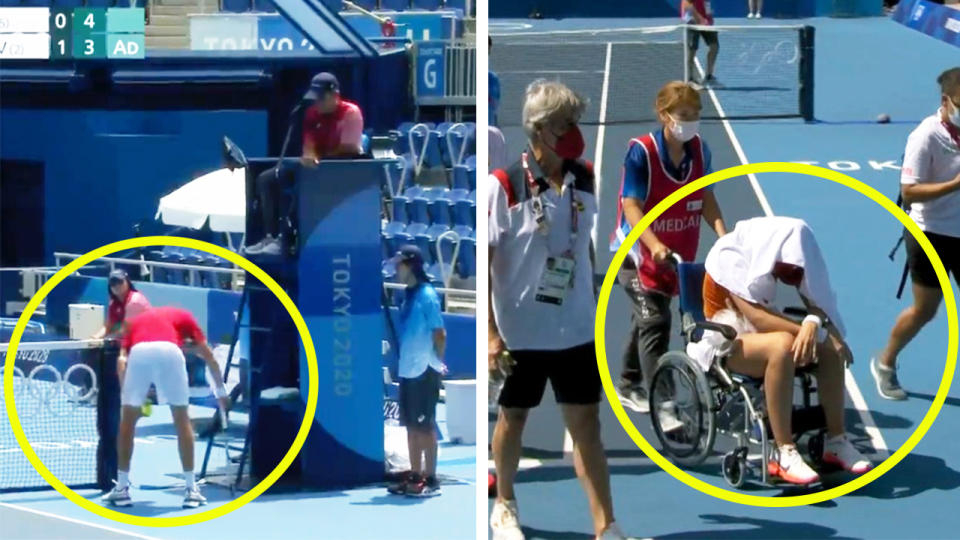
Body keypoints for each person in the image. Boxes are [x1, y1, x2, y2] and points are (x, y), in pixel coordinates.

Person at [488, 80, 636, 540]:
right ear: (537, 130)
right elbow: (487, 258)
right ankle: (505, 503)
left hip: (573, 328)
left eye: (575, 121)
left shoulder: (586, 177)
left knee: (587, 424)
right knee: (514, 417)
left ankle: (605, 526)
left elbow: (583, 248)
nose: (574, 131)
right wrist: (491, 336)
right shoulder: (504, 186)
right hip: (520, 331)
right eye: (563, 124)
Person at [689, 216, 873, 485]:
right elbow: (758, 319)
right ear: (776, 252)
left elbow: (817, 299)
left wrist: (817, 324)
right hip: (726, 339)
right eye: (794, 269)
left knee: (830, 350)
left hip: (760, 336)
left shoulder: (784, 253)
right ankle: (783, 452)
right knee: (782, 347)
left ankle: (836, 441)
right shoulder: (730, 254)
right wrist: (811, 329)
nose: (796, 277)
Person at [610, 81, 727, 412]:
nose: (690, 121)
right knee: (656, 322)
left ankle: (628, 380)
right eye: (683, 115)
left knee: (647, 315)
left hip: (678, 249)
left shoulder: (700, 151)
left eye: (696, 114)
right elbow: (631, 204)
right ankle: (665, 402)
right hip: (637, 253)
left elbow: (705, 195)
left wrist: (723, 233)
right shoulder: (642, 152)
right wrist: (654, 244)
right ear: (664, 115)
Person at [873, 67, 960, 400]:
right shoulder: (926, 136)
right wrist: (954, 185)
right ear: (946, 101)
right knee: (926, 310)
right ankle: (885, 363)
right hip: (931, 235)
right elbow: (909, 192)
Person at [102, 307, 229, 509]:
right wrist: (221, 393)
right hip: (171, 353)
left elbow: (122, 360)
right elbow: (209, 356)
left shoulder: (135, 323)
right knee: (182, 418)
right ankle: (191, 490)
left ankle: (122, 489)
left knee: (127, 422)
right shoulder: (184, 315)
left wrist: (127, 394)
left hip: (140, 354)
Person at [245, 72, 364, 255]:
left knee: (303, 184)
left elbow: (349, 149)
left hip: (341, 171)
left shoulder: (351, 113)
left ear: (334, 95)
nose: (317, 103)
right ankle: (270, 236)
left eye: (321, 98)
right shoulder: (311, 114)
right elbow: (309, 144)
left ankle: (287, 239)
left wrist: (319, 158)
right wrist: (310, 156)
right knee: (267, 178)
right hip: (315, 168)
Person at [386, 246, 447, 498]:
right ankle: (414, 473)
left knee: (425, 426)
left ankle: (430, 478)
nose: (396, 269)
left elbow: (440, 333)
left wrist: (435, 359)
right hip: (409, 368)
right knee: (411, 426)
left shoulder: (428, 295)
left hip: (424, 369)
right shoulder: (409, 295)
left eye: (399, 264)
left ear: (411, 265)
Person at [92, 269, 151, 339]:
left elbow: (125, 330)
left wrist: (111, 332)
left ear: (127, 282)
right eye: (113, 283)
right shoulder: (113, 303)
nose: (116, 286)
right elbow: (109, 325)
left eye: (120, 282)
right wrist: (96, 337)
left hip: (147, 338)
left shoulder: (134, 301)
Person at [681, 0, 719, 86]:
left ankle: (709, 76)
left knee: (714, 46)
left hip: (705, 22)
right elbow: (688, 5)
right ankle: (690, 78)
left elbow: (706, 3)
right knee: (692, 50)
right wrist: (700, 19)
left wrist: (709, 18)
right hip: (691, 21)